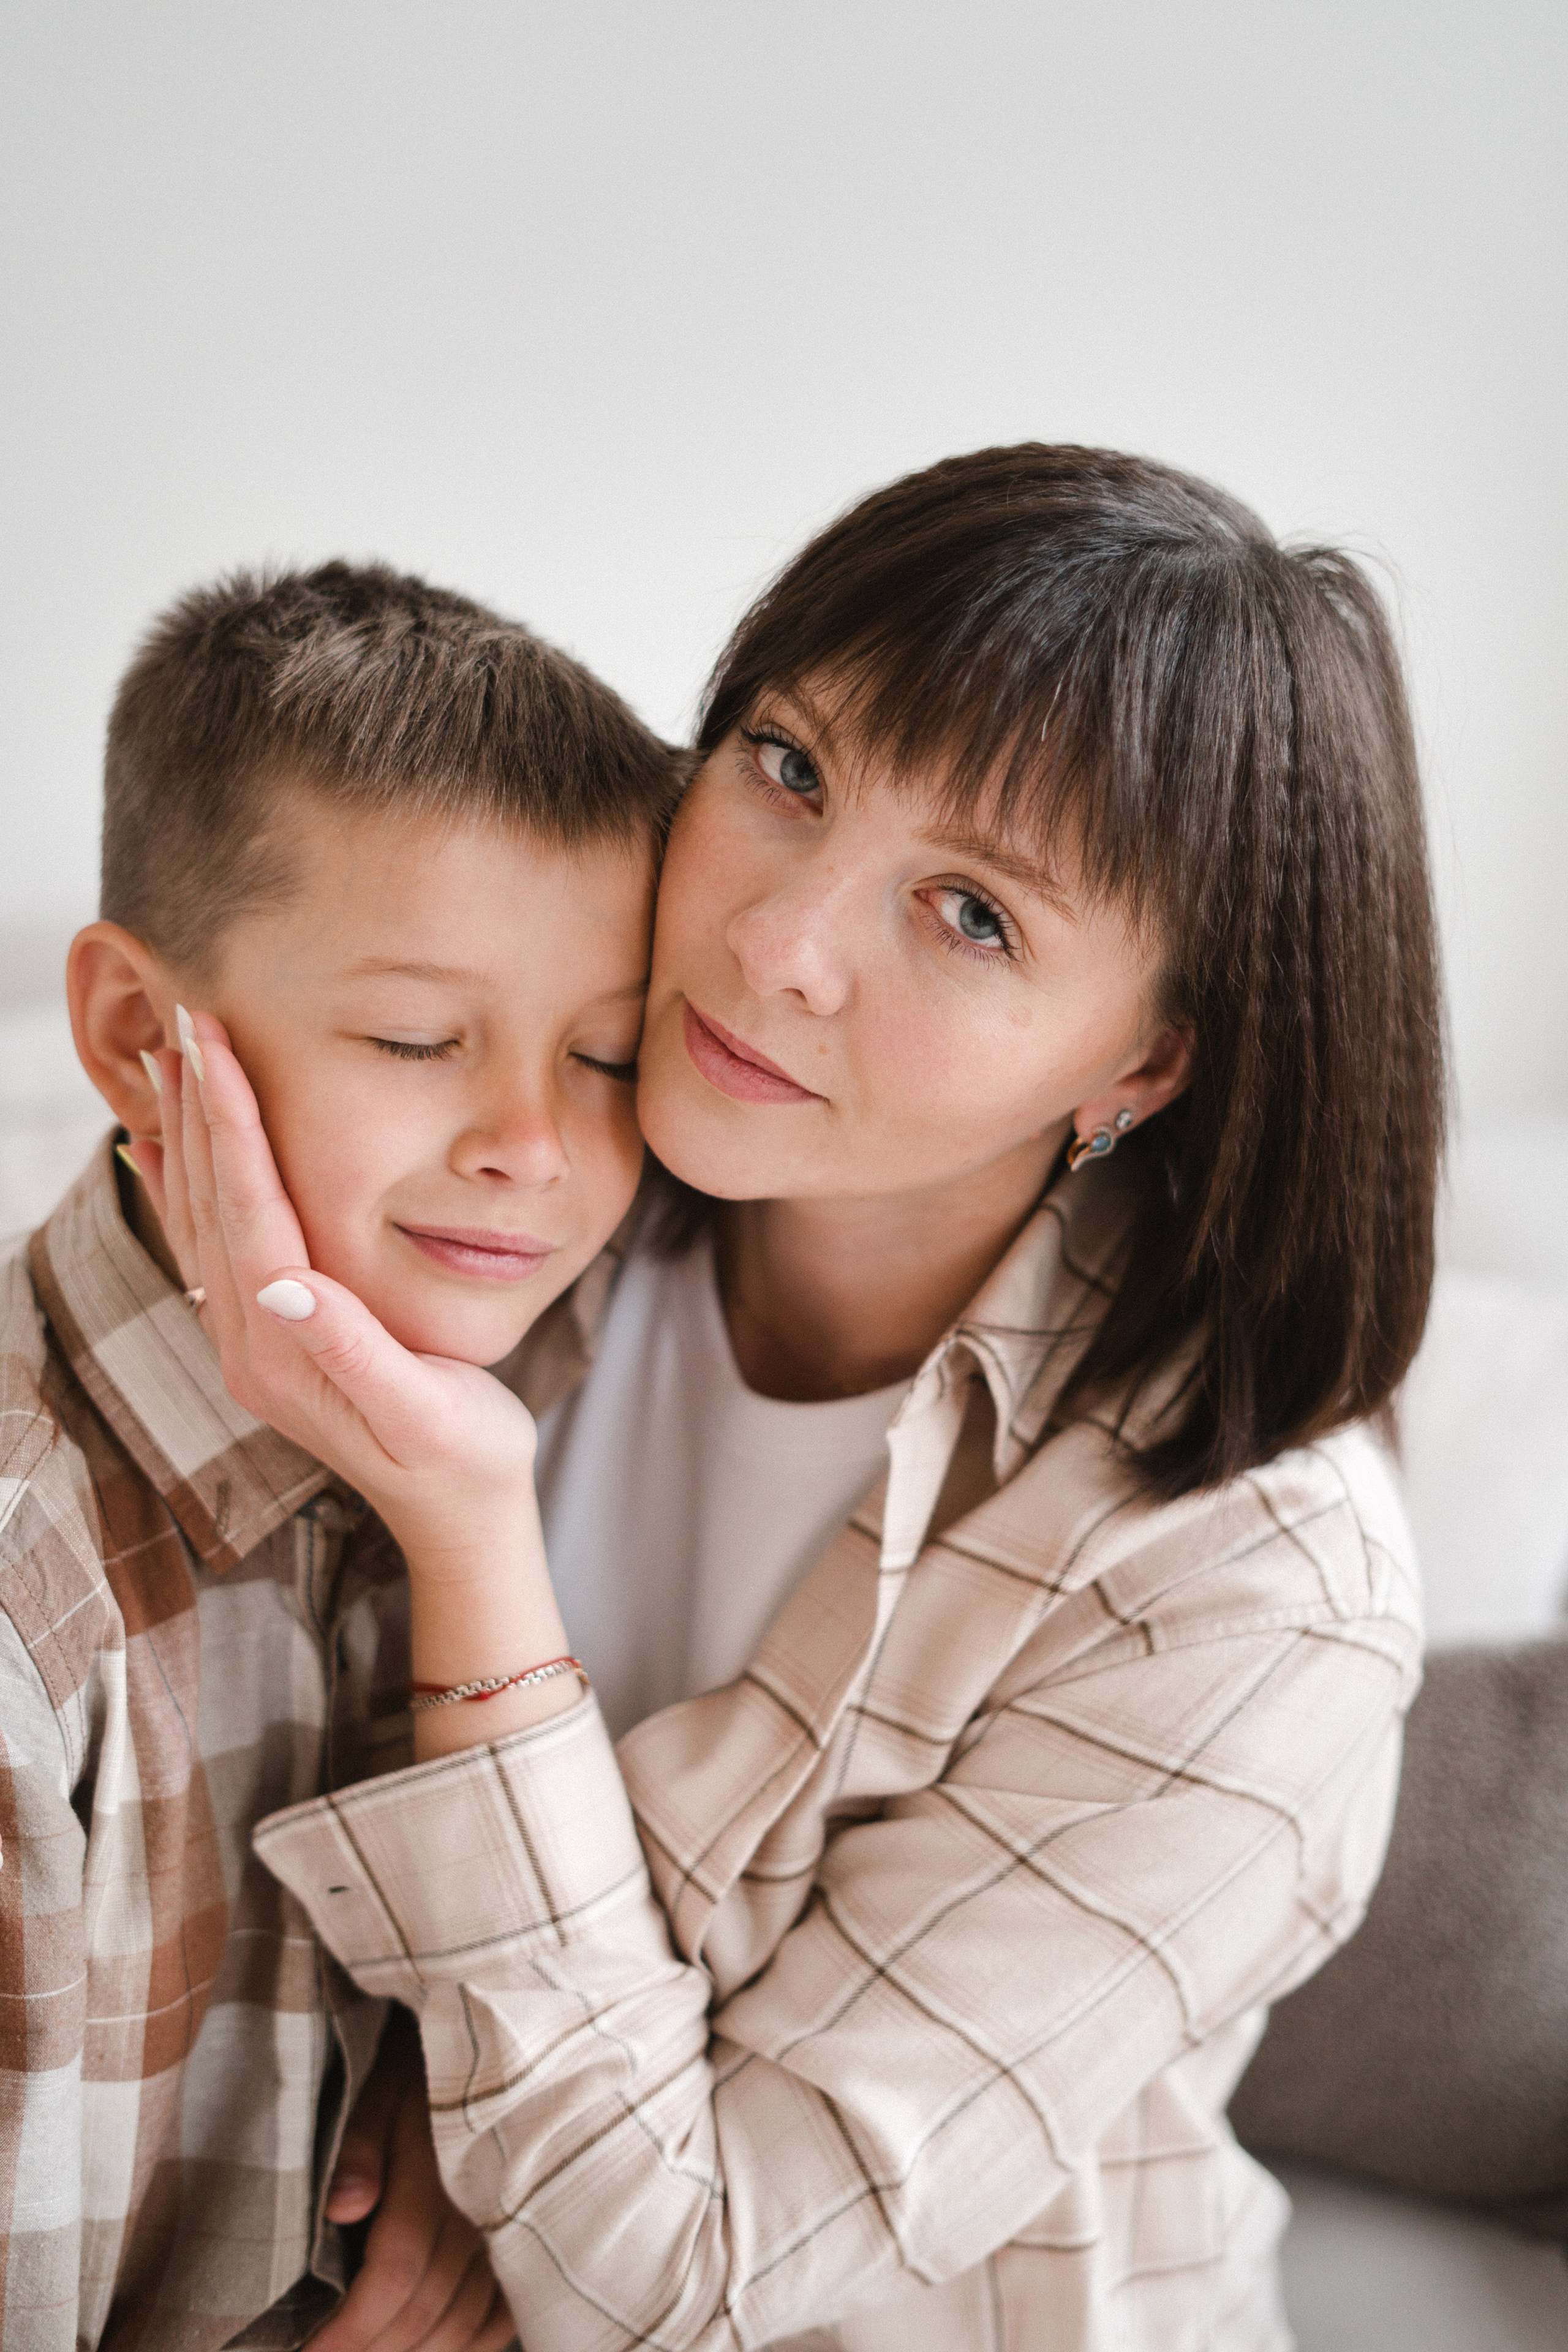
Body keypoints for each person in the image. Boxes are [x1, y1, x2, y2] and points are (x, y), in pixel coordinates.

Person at [148, 447, 1442, 2350]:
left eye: (975, 915)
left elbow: (673, 2277)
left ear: (1147, 1064)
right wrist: (441, 2084)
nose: (775, 945)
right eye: (790, 767)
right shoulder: (516, 1160)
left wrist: (468, 1525)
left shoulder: (1258, 1593)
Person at [0, 561, 680, 2350]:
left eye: (609, 1056)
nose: (535, 1145)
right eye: (414, 1040)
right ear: (143, 1042)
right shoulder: (26, 1616)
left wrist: (481, 2124)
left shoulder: (579, 1362)